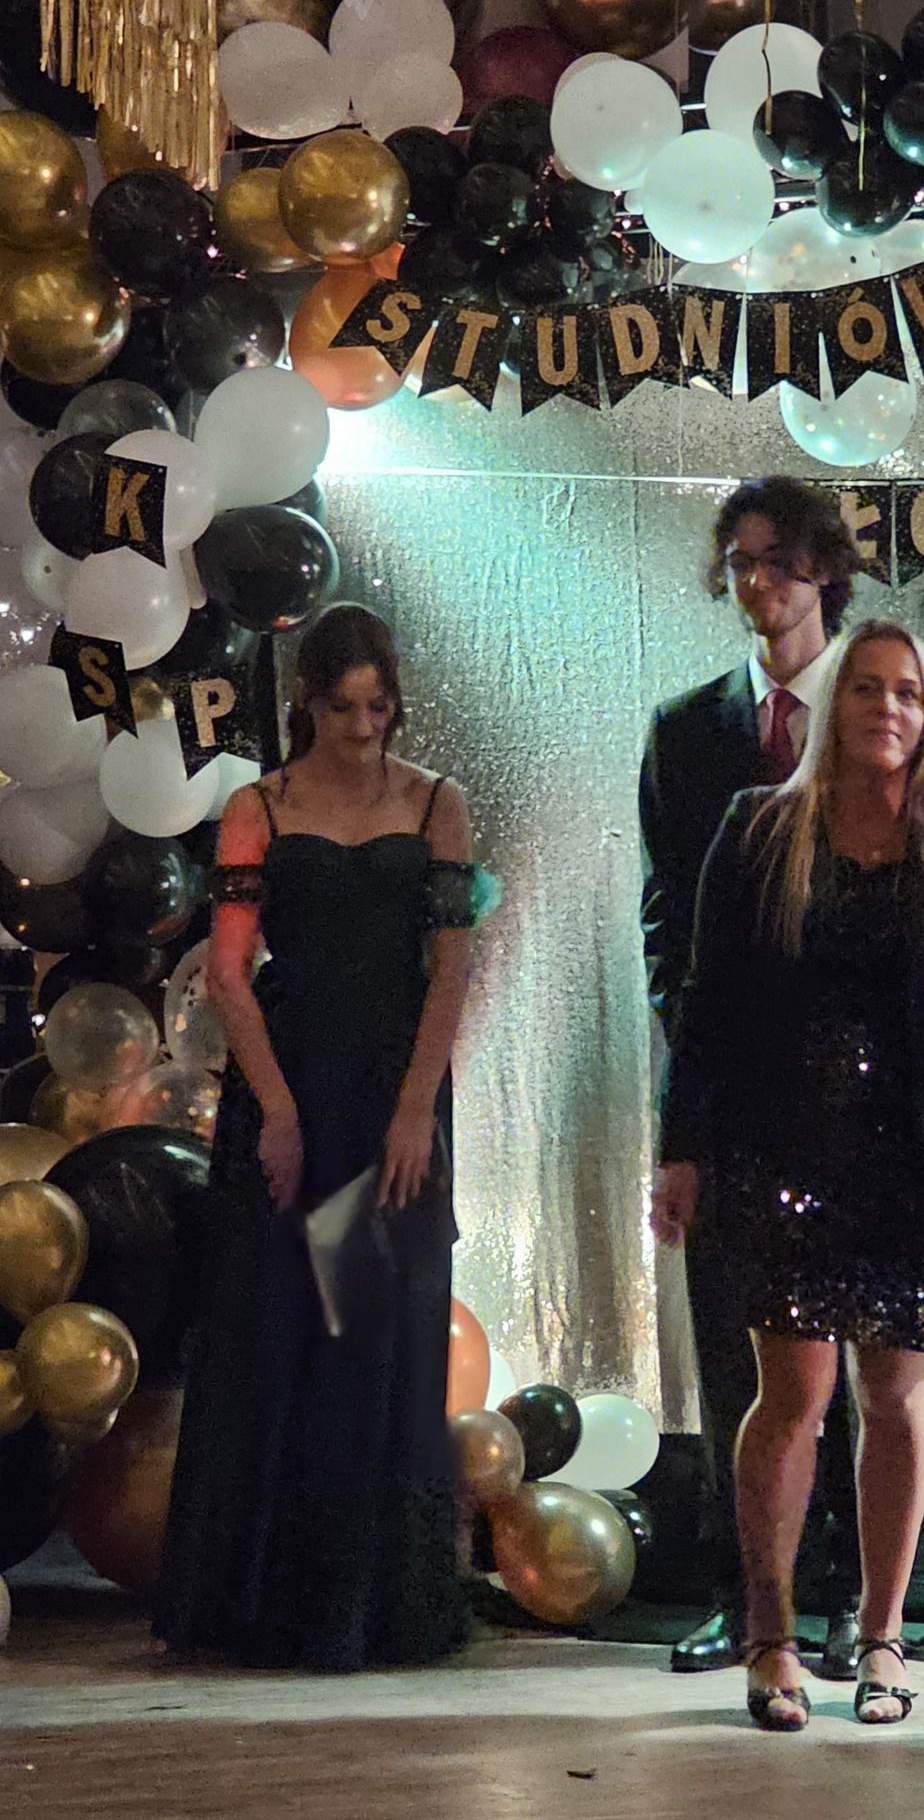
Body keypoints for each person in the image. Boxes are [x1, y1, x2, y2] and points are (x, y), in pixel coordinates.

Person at [652, 620, 924, 1731]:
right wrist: (680, 1150)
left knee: (894, 1397)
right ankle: (770, 1638)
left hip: (909, 1153)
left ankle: (882, 1634)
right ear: (833, 704)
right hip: (780, 1149)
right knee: (792, 1396)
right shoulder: (759, 825)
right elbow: (706, 1001)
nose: (887, 707)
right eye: (866, 687)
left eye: (907, 691)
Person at [155, 604, 487, 1670]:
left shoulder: (436, 802)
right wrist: (279, 1111)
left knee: (378, 1334)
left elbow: (453, 968)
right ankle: (265, 1604)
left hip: (392, 1087)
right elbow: (228, 972)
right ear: (307, 702)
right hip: (288, 1080)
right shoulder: (258, 806)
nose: (364, 726)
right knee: (277, 1327)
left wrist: (416, 1107)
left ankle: (378, 1605)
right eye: (344, 707)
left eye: (379, 706)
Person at [640, 477, 866, 1679]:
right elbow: (664, 917)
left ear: (825, 568)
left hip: (858, 1087)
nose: (757, 580)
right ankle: (747, 1594)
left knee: (849, 1346)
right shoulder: (686, 728)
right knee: (735, 1345)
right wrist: (693, 1049)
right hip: (726, 1094)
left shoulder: (881, 702)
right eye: (739, 560)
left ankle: (848, 1594)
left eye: (778, 558)